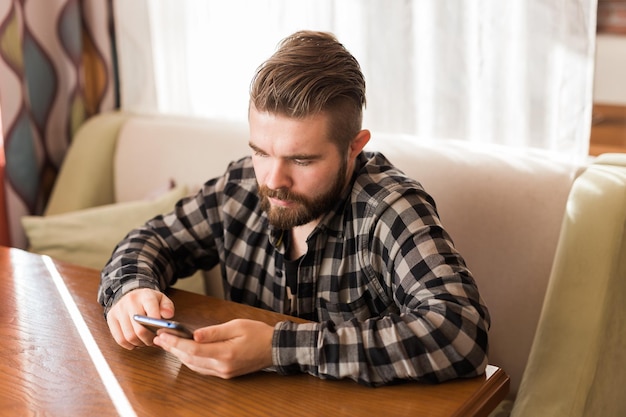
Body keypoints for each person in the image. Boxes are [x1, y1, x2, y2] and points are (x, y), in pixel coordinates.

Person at [98, 30, 490, 387]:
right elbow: (149, 241)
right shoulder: (239, 188)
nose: (273, 180)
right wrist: (132, 290)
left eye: (301, 160)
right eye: (261, 152)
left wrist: (277, 347)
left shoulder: (389, 207)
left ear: (354, 147)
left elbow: (459, 331)